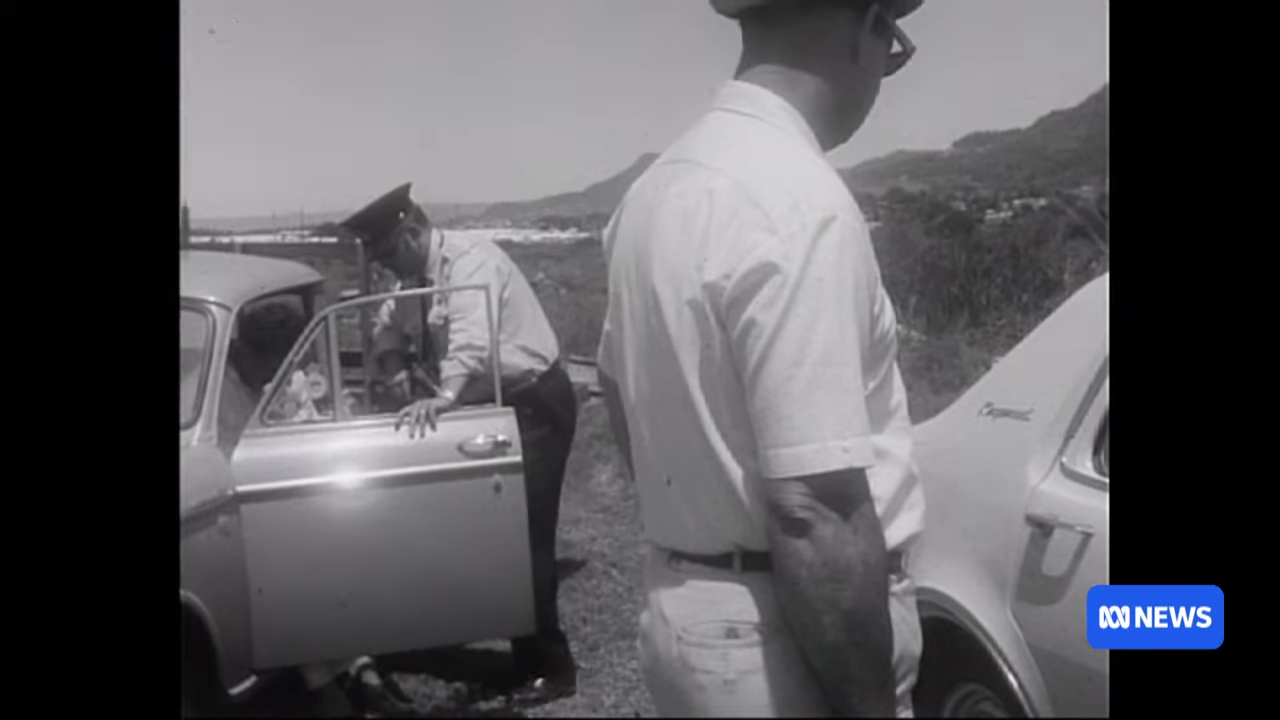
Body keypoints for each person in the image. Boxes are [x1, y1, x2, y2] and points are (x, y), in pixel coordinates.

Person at [596, 0, 927, 716]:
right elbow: (814, 511)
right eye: (894, 47)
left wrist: (699, 511)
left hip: (685, 606)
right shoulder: (800, 204)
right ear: (866, 26)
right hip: (783, 635)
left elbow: (617, 394)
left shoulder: (653, 191)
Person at [337, 182, 580, 705]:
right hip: (494, 403)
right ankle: (515, 649)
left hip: (534, 403)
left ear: (414, 232)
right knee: (494, 538)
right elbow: (387, 323)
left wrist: (443, 396)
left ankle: (552, 668)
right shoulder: (417, 277)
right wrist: (394, 362)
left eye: (388, 254)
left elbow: (471, 336)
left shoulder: (471, 263)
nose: (387, 269)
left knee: (525, 541)